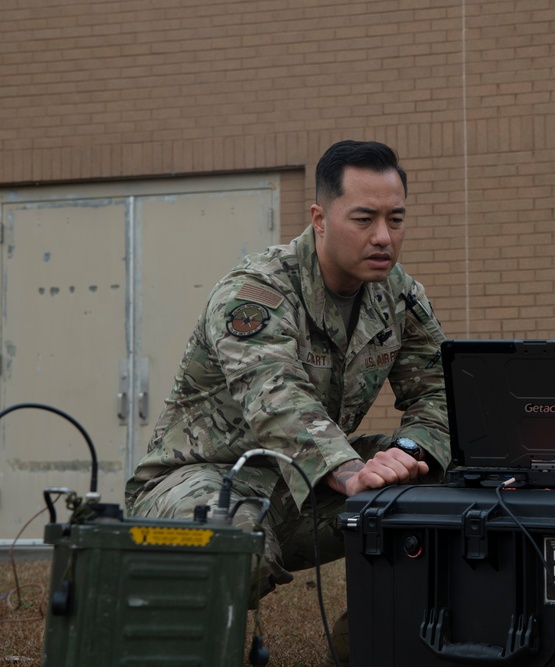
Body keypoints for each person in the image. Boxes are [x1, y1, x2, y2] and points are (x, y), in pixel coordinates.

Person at [125, 140, 450, 665]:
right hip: (204, 478)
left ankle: (370, 639)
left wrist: (408, 451)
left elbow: (438, 393)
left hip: (302, 494)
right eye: (364, 219)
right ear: (319, 218)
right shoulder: (255, 291)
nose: (384, 237)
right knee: (233, 540)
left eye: (396, 218)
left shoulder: (402, 297)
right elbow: (274, 394)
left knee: (450, 484)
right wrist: (347, 469)